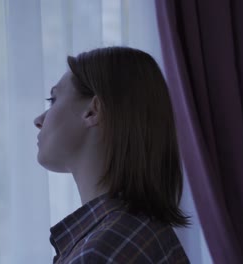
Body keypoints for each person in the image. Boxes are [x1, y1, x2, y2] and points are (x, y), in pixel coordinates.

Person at [33, 46, 190, 264]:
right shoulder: (137, 232)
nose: (38, 120)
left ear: (93, 111)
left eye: (53, 100)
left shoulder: (104, 251)